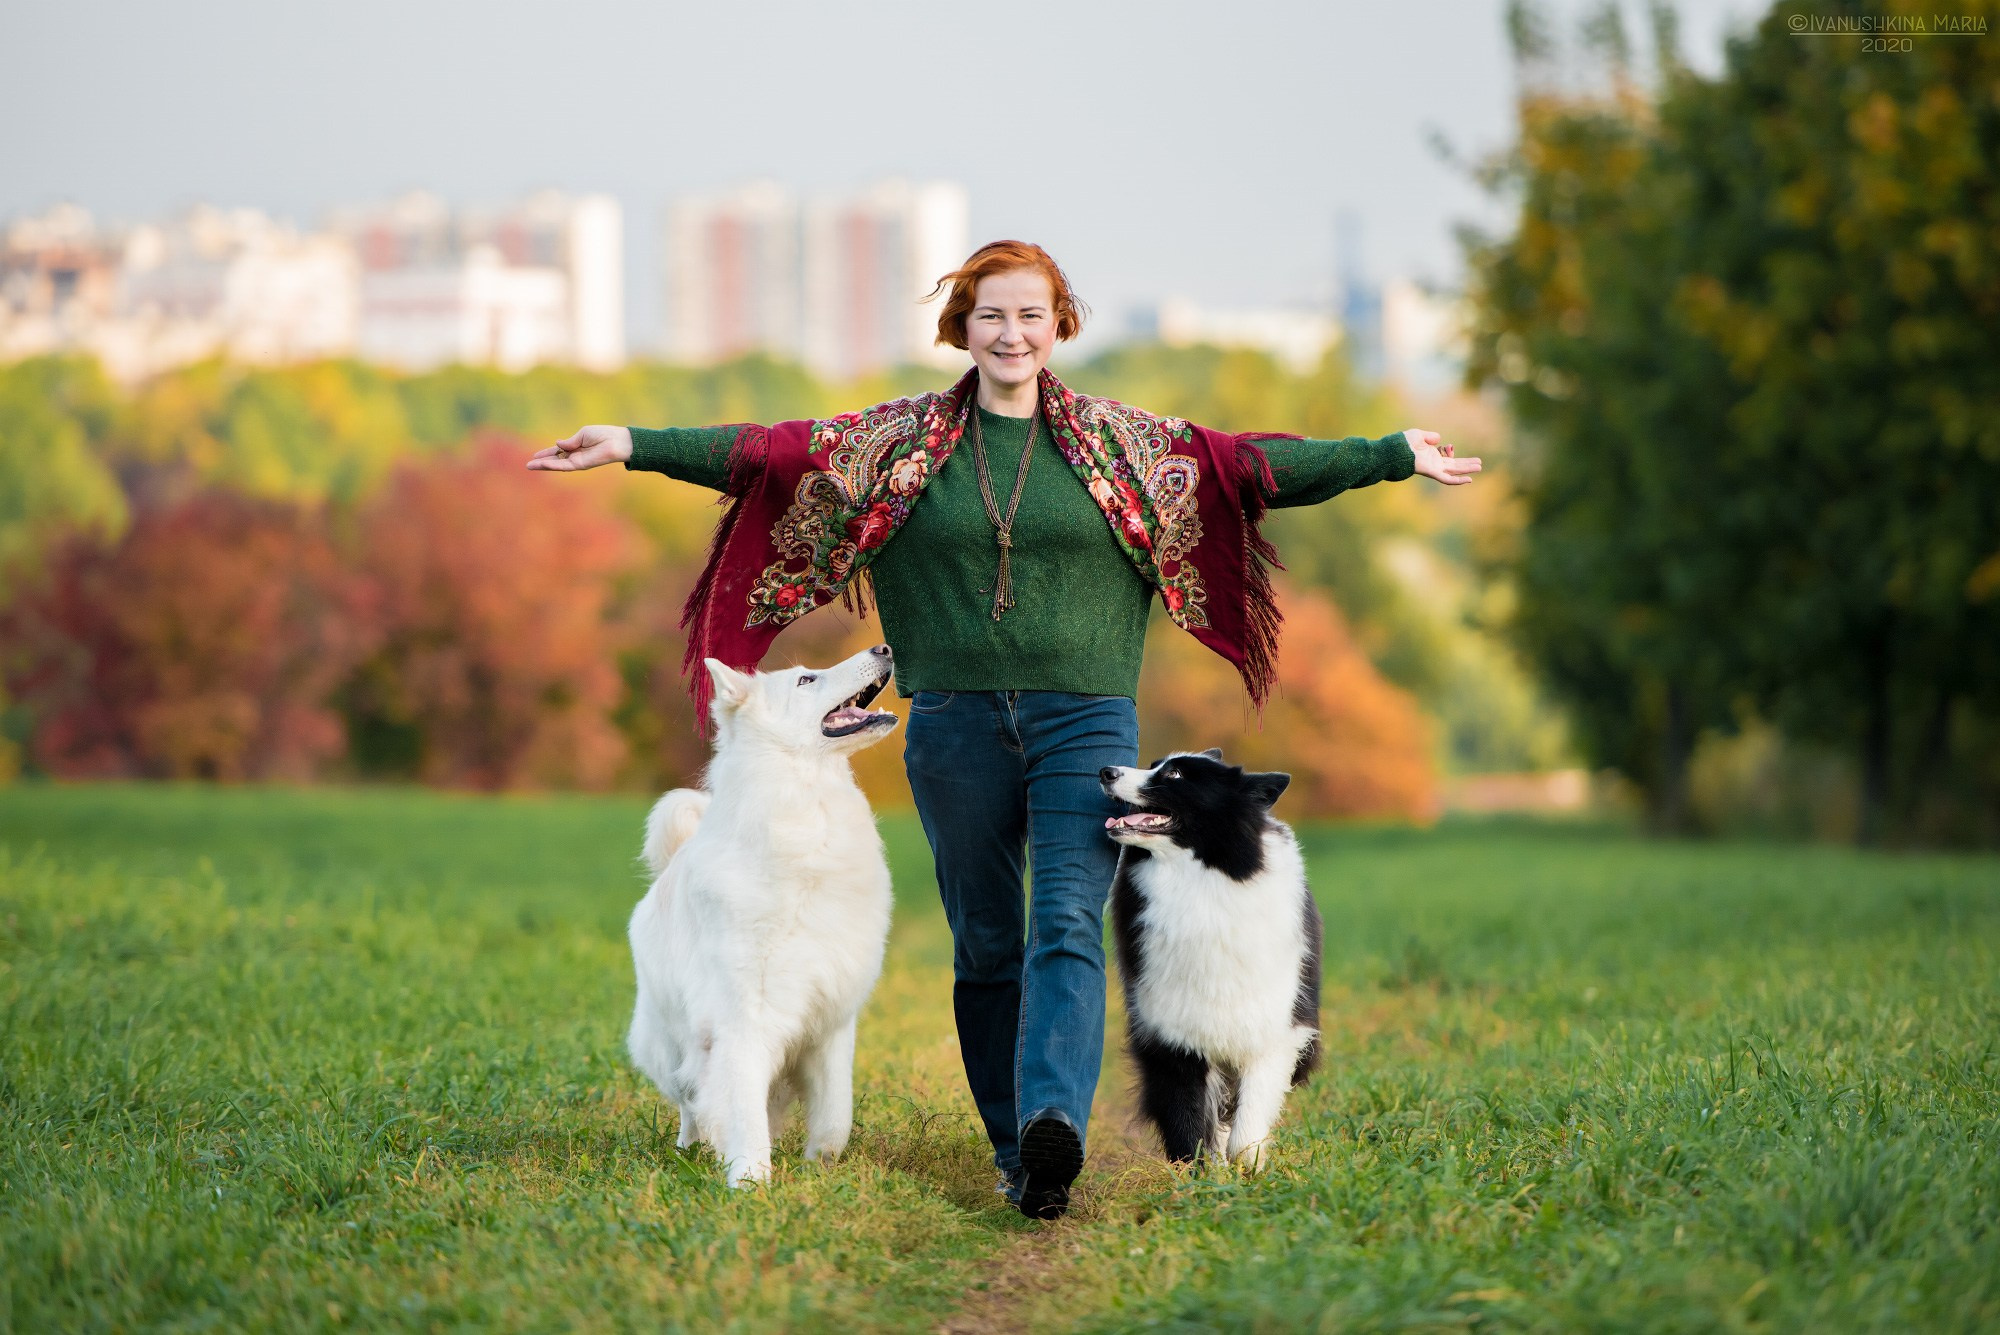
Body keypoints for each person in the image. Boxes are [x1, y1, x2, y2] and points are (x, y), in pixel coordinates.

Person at [529, 240, 1480, 1218]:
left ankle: (1050, 1127)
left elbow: (1251, 466)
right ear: (962, 327)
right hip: (953, 725)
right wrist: (631, 442)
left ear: (1059, 324)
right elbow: (762, 453)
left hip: (1086, 720)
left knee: (1064, 922)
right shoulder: (891, 448)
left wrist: (1389, 455)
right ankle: (1010, 1146)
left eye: (1030, 314)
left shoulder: (1121, 445)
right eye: (990, 314)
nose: (1010, 333)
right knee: (985, 940)